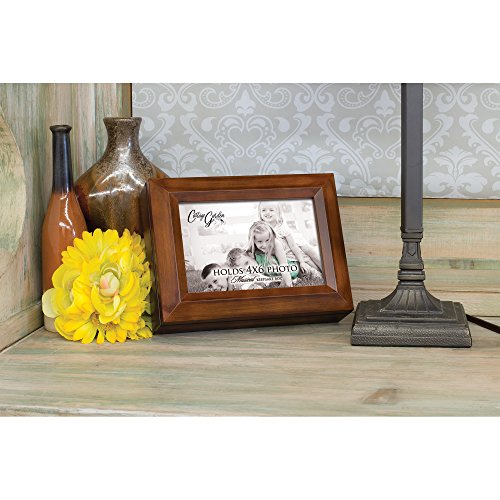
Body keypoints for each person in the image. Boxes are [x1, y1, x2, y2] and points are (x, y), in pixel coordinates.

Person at [258, 201, 323, 273]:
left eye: (271, 210)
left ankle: (325, 272)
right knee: (309, 265)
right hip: (288, 250)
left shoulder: (281, 226)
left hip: (297, 244)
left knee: (311, 256)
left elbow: (293, 245)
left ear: (278, 212)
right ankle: (320, 273)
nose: (267, 212)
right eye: (263, 210)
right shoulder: (262, 228)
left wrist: (301, 261)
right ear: (260, 213)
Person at [247, 221, 298, 287]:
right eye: (260, 241)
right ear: (253, 241)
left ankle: (290, 279)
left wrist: (287, 282)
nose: (265, 245)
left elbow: (284, 264)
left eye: (267, 240)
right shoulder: (252, 249)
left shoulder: (276, 244)